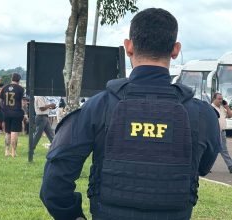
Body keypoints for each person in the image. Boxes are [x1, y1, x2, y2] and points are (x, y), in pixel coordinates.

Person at [40, 8, 220, 220]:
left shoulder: (98, 107)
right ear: (175, 50)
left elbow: (54, 184)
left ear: (129, 47)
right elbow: (203, 167)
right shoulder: (202, 114)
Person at [0, 73, 25, 157]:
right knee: (14, 132)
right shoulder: (20, 89)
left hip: (6, 112)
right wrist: (23, 112)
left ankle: (6, 151)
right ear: (19, 80)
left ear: (12, 78)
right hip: (16, 112)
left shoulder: (5, 88)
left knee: (7, 132)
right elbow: (23, 103)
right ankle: (13, 152)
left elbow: (0, 101)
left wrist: (4, 109)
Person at [212, 93, 232, 173]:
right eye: (219, 99)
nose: (221, 100)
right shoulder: (211, 108)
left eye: (221, 99)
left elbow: (230, 116)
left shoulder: (222, 108)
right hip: (214, 132)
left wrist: (227, 107)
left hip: (222, 132)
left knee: (223, 150)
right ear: (214, 99)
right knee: (211, 150)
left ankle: (230, 166)